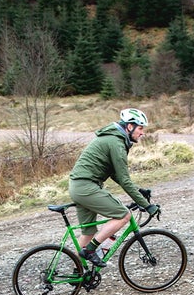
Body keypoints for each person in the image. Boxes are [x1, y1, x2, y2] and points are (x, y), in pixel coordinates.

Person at [68, 108, 160, 267]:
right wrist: (147, 205)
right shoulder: (116, 143)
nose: (142, 133)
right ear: (129, 127)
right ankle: (90, 251)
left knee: (88, 233)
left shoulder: (113, 139)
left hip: (79, 186)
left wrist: (139, 191)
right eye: (140, 128)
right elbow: (124, 180)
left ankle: (77, 273)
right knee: (124, 215)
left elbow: (116, 175)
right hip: (86, 187)